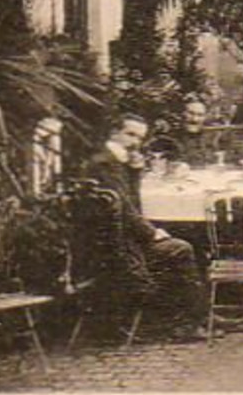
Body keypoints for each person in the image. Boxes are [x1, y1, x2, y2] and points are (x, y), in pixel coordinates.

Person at [79, 114, 207, 340]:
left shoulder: (114, 162)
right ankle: (187, 322)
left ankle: (187, 316)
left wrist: (135, 171)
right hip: (115, 248)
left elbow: (129, 205)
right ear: (114, 133)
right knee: (182, 248)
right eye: (130, 134)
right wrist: (152, 233)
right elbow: (127, 211)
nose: (135, 142)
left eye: (139, 137)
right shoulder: (104, 164)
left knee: (180, 241)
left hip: (118, 240)